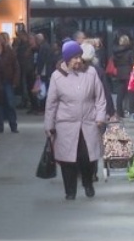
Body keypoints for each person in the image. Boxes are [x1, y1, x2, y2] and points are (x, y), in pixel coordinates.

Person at [44, 40, 106, 200]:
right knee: (67, 160)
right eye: (74, 57)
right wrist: (49, 125)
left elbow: (100, 98)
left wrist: (100, 117)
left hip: (88, 123)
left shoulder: (91, 73)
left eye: (79, 57)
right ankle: (70, 191)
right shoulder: (57, 77)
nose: (78, 60)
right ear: (66, 59)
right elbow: (51, 103)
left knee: (87, 157)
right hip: (66, 125)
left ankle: (88, 182)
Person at [0, 32, 20, 133]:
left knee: (10, 104)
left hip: (7, 81)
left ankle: (13, 125)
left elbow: (16, 67)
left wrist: (15, 81)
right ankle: (0, 126)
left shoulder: (10, 52)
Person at [111, 35, 134, 117]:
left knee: (120, 94)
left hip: (120, 73)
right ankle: (132, 111)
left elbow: (114, 63)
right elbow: (133, 63)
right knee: (131, 92)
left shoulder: (116, 52)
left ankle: (119, 112)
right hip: (129, 73)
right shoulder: (130, 52)